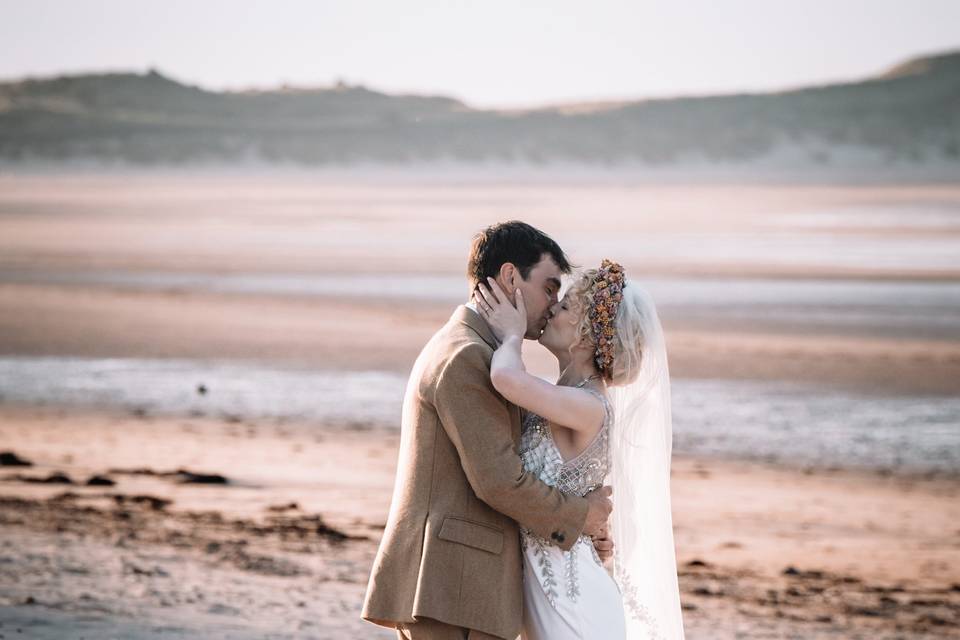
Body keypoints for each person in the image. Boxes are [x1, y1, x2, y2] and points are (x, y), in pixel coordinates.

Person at [362, 221, 615, 640]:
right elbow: (498, 480)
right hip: (452, 586)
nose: (553, 304)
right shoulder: (468, 357)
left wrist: (589, 531)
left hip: (464, 587)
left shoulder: (482, 352)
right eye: (549, 288)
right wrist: (581, 517)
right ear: (511, 277)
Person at [474, 258, 685, 639]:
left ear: (585, 336)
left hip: (575, 605)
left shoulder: (589, 406)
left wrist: (511, 336)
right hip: (552, 595)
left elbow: (505, 376)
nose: (553, 307)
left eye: (566, 305)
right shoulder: (561, 397)